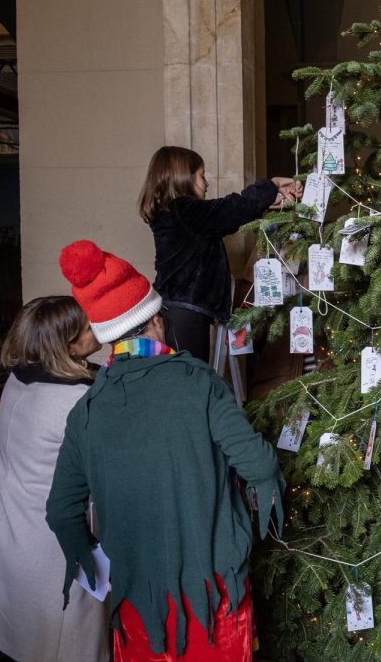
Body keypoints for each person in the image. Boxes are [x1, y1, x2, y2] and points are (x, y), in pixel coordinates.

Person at [46, 239, 285, 661]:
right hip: (214, 598)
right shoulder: (198, 381)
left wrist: (99, 569)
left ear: (107, 338)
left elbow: (61, 512)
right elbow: (259, 464)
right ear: (155, 320)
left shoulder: (87, 411)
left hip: (140, 605)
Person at [0, 296, 109, 662]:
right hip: (55, 544)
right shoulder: (75, 401)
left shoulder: (20, 378)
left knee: (24, 642)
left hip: (13, 529)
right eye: (86, 328)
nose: (95, 328)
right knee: (62, 646)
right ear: (66, 346)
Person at [139, 145, 302, 363]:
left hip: (183, 310)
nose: (206, 183)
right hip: (183, 313)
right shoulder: (182, 209)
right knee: (192, 381)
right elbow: (229, 210)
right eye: (201, 175)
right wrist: (270, 185)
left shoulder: (178, 214)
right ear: (182, 177)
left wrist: (266, 202)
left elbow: (226, 219)